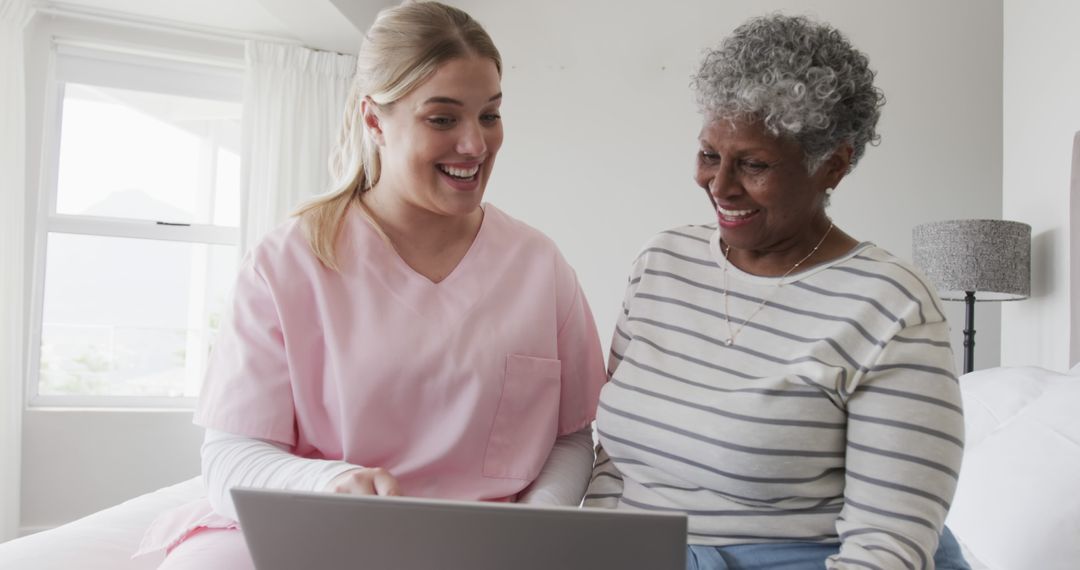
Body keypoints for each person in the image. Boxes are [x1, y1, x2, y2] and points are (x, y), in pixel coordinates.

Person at [136, 2, 607, 568]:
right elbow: (231, 454)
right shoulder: (290, 262)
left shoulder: (538, 266)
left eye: (489, 115)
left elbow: (572, 434)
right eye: (443, 118)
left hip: (482, 546)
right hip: (320, 528)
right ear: (375, 120)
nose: (476, 145)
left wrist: (540, 516)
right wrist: (332, 483)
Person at [583, 14, 970, 570]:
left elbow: (885, 547)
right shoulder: (662, 262)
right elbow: (616, 462)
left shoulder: (890, 305)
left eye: (754, 165)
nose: (718, 186)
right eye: (709, 155)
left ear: (832, 166)